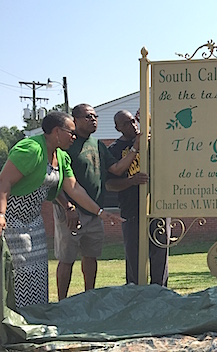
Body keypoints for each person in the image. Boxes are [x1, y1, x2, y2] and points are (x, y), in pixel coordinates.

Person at [0, 111, 122, 307]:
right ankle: (17, 317)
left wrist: (100, 212)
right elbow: (3, 181)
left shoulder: (62, 156)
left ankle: (36, 314)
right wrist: (1, 214)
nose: (74, 137)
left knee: (39, 270)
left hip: (34, 220)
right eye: (71, 132)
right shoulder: (31, 149)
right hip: (13, 219)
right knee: (20, 270)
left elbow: (73, 188)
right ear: (57, 131)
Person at [54, 104, 140, 301]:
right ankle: (61, 303)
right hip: (71, 211)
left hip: (94, 211)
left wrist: (135, 148)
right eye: (88, 116)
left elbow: (117, 169)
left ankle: (89, 298)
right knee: (66, 259)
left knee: (91, 257)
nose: (93, 120)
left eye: (95, 116)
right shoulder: (67, 146)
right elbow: (57, 182)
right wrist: (68, 207)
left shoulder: (99, 145)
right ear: (74, 120)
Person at [106, 110, 168, 286]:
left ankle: (160, 290)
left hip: (158, 206)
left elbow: (169, 137)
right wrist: (131, 181)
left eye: (133, 121)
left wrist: (150, 121)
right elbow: (110, 184)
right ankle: (134, 290)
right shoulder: (114, 150)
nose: (131, 125)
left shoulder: (150, 142)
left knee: (160, 251)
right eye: (125, 123)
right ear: (117, 127)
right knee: (134, 254)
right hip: (131, 208)